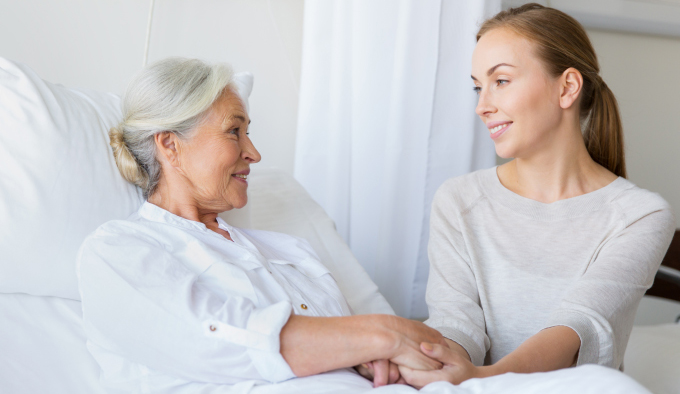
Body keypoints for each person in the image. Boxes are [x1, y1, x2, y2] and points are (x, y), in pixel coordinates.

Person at [76, 57, 444, 392]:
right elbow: (212, 339)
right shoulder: (119, 250)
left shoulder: (290, 251)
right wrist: (381, 335)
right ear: (170, 145)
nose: (254, 153)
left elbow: (355, 352)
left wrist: (369, 355)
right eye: (234, 131)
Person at [398, 3, 675, 388]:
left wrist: (484, 379)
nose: (482, 106)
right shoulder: (458, 200)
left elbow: (578, 324)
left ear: (567, 88)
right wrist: (443, 366)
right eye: (478, 86)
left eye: (502, 81)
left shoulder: (640, 215)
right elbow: (456, 322)